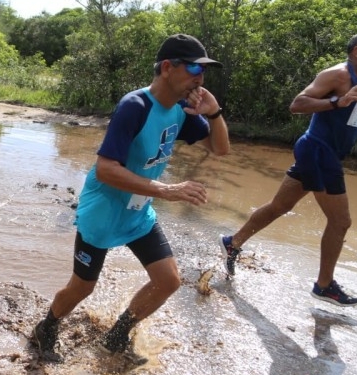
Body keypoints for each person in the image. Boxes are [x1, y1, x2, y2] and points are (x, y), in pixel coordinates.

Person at [31, 34, 230, 364]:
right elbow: (106, 169)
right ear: (168, 67)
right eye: (194, 68)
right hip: (104, 210)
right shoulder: (135, 106)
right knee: (82, 288)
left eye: (204, 71)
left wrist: (214, 113)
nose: (200, 78)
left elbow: (220, 149)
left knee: (168, 281)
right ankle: (48, 325)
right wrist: (168, 189)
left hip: (138, 210)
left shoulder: (183, 110)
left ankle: (117, 335)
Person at [219, 30, 357, 307]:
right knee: (341, 222)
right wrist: (337, 101)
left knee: (279, 206)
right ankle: (324, 286)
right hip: (319, 152)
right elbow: (298, 104)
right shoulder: (338, 75)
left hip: (322, 153)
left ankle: (233, 242)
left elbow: (354, 111)